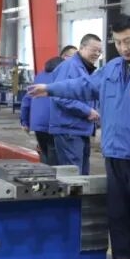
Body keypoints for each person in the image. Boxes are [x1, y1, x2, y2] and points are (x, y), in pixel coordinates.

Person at [29, 14, 130, 259]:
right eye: (118, 42)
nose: (123, 47)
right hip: (114, 159)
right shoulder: (111, 68)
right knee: (117, 222)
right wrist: (50, 89)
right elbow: (83, 86)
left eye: (128, 41)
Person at [49, 35, 103, 174]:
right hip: (69, 130)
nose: (97, 54)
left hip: (80, 129)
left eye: (99, 51)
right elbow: (59, 96)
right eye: (94, 50)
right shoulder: (70, 67)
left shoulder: (84, 69)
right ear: (82, 48)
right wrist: (87, 111)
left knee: (82, 175)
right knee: (73, 175)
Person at [20, 56, 62, 165]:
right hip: (53, 123)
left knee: (44, 152)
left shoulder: (39, 77)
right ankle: (51, 175)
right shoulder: (61, 77)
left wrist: (24, 122)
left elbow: (26, 100)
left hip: (37, 124)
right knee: (54, 156)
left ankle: (44, 174)